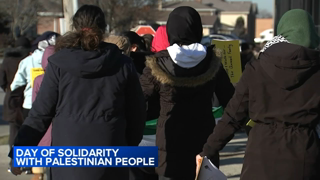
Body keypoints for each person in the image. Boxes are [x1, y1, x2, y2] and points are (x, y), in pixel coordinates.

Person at [8, 5, 146, 180]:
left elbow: (40, 114)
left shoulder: (58, 63)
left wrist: (19, 152)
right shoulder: (123, 64)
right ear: (104, 30)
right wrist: (127, 146)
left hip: (68, 155)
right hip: (110, 151)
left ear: (75, 28)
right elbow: (137, 113)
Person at [197, 9, 320, 180]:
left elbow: (232, 116)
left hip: (259, 160)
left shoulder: (257, 68)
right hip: (304, 161)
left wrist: (208, 151)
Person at [140, 6, 235, 180]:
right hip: (204, 141)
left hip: (169, 143)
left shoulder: (158, 63)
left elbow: (138, 100)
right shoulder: (212, 62)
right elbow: (232, 102)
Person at [10, 31, 59, 120]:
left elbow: (16, 85)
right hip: (55, 106)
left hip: (30, 105)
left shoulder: (27, 61)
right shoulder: (62, 61)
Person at [0, 36, 31, 148]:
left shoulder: (7, 60)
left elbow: (1, 79)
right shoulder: (30, 58)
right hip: (28, 96)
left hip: (12, 98)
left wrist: (8, 89)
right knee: (30, 130)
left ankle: (14, 162)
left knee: (14, 131)